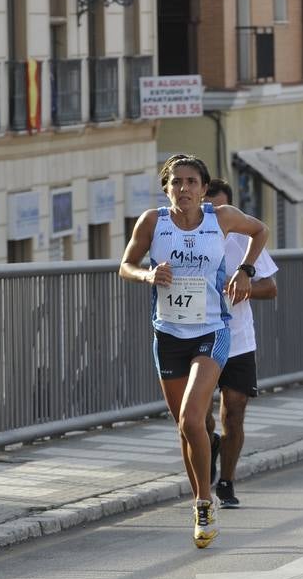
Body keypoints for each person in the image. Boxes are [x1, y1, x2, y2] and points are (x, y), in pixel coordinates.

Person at [120, 154, 269, 548]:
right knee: (186, 427)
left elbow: (260, 230)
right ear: (165, 187)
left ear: (203, 188)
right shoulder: (152, 222)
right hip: (169, 334)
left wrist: (246, 270)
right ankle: (200, 498)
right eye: (176, 182)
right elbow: (125, 265)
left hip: (211, 331)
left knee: (192, 417)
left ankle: (204, 502)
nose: (183, 188)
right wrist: (148, 274)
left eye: (191, 182)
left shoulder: (222, 217)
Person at [201, 179, 280, 508]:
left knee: (234, 412)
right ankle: (208, 448)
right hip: (199, 338)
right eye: (207, 208)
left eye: (220, 208)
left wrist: (241, 287)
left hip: (238, 339)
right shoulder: (188, 236)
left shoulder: (245, 239)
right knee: (201, 417)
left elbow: (271, 288)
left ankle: (227, 482)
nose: (214, 215)